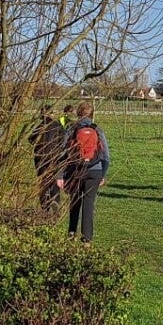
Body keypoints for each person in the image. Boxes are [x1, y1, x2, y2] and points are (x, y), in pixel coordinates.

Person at [57, 101, 110, 243]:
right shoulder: (97, 130)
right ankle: (87, 239)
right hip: (94, 171)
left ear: (78, 113)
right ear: (92, 115)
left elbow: (62, 153)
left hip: (75, 170)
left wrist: (60, 175)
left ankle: (71, 234)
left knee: (74, 202)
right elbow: (106, 157)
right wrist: (102, 174)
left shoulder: (72, 129)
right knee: (89, 205)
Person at [30, 106, 66, 210]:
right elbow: (62, 141)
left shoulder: (39, 126)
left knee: (43, 182)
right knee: (54, 180)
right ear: (52, 114)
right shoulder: (58, 125)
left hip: (40, 158)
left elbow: (31, 140)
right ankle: (55, 200)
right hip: (54, 157)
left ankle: (44, 205)